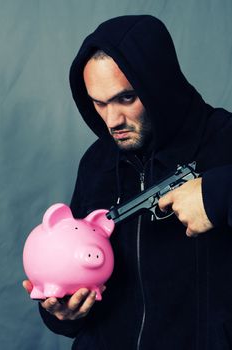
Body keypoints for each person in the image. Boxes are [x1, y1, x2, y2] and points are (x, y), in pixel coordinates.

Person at [23, 15, 232, 350]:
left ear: (160, 84)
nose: (111, 121)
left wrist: (219, 193)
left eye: (126, 98)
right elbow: (81, 278)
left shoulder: (224, 140)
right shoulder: (97, 162)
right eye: (98, 103)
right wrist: (62, 313)